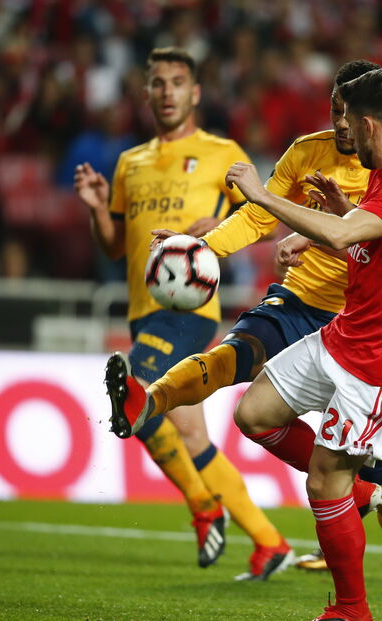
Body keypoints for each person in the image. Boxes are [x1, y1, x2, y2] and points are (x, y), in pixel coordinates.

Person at [113, 58, 382, 578]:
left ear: (368, 119)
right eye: (334, 110)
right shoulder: (307, 152)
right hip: (300, 301)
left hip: (363, 325)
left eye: (348, 114)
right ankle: (149, 400)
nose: (341, 123)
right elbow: (259, 216)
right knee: (237, 354)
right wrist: (202, 249)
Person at [75, 46, 292, 580]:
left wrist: (214, 230)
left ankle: (202, 507)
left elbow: (262, 215)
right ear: (146, 93)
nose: (167, 91)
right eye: (158, 82)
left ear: (194, 93)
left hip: (190, 308)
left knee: (135, 395)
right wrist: (99, 210)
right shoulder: (130, 162)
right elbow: (115, 246)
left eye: (177, 82)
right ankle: (269, 542)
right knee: (190, 437)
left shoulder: (222, 152)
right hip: (142, 310)